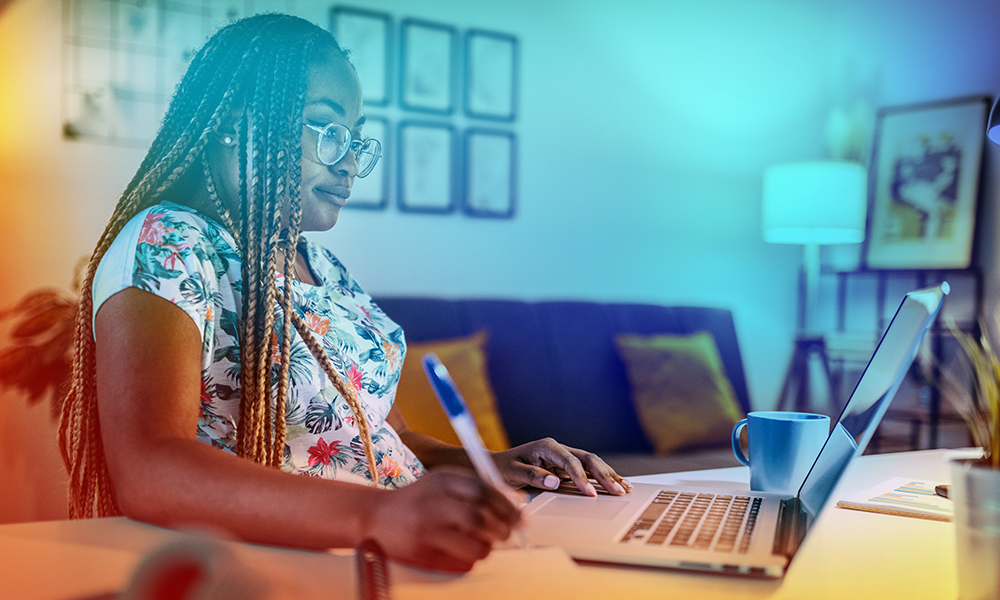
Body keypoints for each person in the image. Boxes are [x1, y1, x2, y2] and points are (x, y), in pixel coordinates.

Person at [58, 13, 631, 573]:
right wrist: (377, 516)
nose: (351, 162)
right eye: (327, 130)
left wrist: (494, 466)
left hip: (394, 553)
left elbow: (388, 436)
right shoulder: (169, 243)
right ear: (238, 122)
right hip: (299, 566)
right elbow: (152, 469)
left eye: (356, 139)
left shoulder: (322, 267)